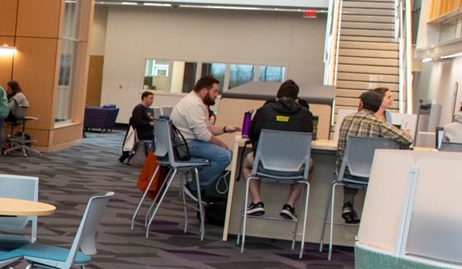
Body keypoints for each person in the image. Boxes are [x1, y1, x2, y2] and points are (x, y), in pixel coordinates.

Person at [335, 88, 414, 224]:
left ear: (361, 103)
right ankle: (378, 215)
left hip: (345, 171)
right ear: (377, 107)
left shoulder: (346, 119)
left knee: (354, 162)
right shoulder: (379, 124)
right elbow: (407, 140)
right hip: (371, 174)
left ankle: (348, 204)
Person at [244, 79, 317, 222]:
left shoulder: (263, 111)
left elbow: (251, 135)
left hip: (264, 163)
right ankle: (289, 205)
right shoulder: (307, 115)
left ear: (276, 98)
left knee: (247, 164)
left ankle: (257, 202)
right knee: (309, 166)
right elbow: (309, 139)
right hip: (294, 166)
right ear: (297, 100)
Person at [171, 76, 237, 199]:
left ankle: (200, 186)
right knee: (224, 156)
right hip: (186, 145)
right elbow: (203, 135)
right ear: (204, 91)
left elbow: (207, 129)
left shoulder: (197, 102)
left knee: (227, 154)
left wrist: (225, 129)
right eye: (215, 91)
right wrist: (222, 145)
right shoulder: (193, 105)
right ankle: (194, 187)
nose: (217, 95)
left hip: (187, 142)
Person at [122, 91, 156, 163]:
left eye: (153, 98)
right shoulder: (139, 108)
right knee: (160, 137)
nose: (152, 100)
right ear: (144, 98)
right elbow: (138, 122)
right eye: (151, 98)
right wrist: (150, 124)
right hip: (142, 132)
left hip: (148, 131)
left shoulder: (149, 109)